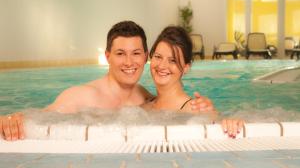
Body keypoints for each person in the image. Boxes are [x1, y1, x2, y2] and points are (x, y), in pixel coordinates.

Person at [0, 21, 214, 141]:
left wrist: (212, 113)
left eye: (136, 53)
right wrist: (13, 118)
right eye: (120, 53)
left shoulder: (147, 99)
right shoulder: (82, 96)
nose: (129, 62)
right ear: (107, 56)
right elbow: (42, 116)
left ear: (144, 56)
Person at [143, 26, 244, 138]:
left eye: (173, 60)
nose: (162, 65)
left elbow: (219, 123)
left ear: (186, 67)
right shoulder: (146, 105)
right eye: (158, 57)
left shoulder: (195, 109)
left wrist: (231, 123)